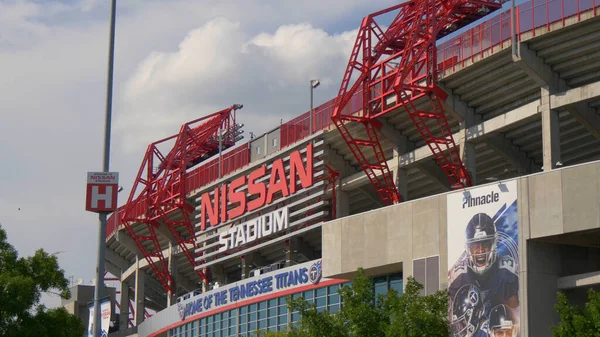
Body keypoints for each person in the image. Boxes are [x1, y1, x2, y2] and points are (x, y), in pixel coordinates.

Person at [449, 213, 519, 316]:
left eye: (485, 244)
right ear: (468, 248)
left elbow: (515, 318)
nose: (480, 250)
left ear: (493, 244)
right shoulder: (459, 277)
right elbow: (452, 321)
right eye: (475, 246)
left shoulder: (506, 272)